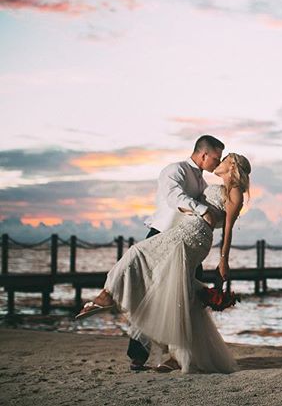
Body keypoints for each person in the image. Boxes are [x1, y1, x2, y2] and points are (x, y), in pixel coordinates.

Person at [75, 152, 251, 374]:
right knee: (177, 293)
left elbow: (228, 229)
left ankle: (108, 295)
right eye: (219, 156)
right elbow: (184, 201)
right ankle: (180, 355)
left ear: (232, 165)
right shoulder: (202, 181)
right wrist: (194, 209)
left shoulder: (235, 191)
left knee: (137, 252)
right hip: (187, 228)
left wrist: (223, 260)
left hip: (193, 236)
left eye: (224, 159)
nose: (220, 161)